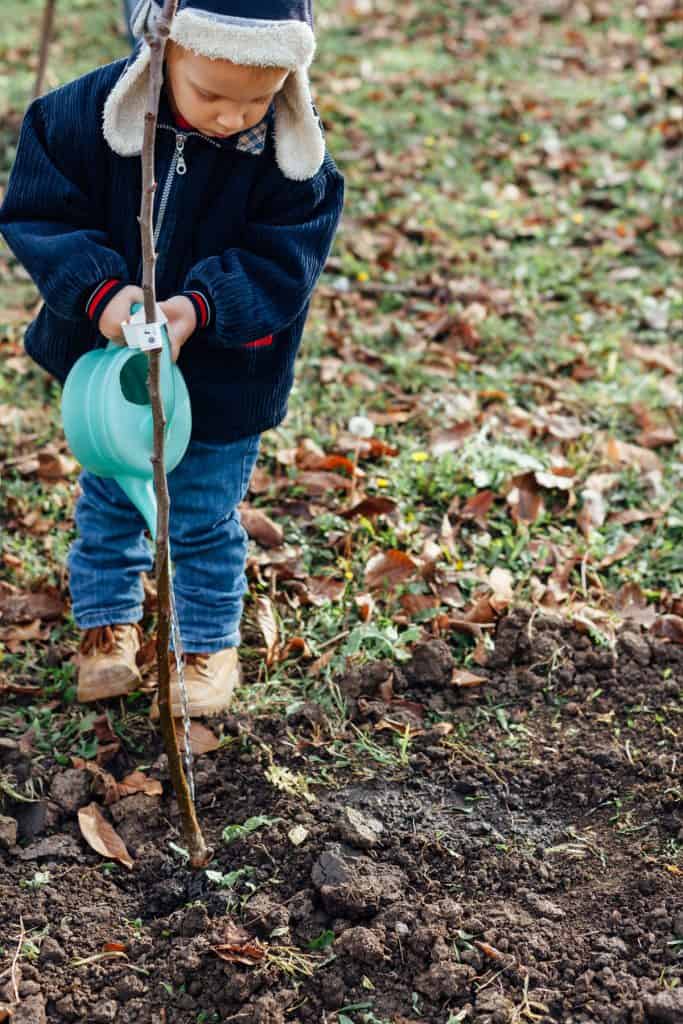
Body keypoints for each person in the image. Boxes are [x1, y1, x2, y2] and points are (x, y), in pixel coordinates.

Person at [0, 0, 344, 717]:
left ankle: (205, 642)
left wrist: (199, 307)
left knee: (201, 511)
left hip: (224, 373)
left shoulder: (291, 157)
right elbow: (41, 211)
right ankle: (106, 627)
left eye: (258, 97)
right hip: (113, 371)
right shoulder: (85, 119)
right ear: (161, 52)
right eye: (211, 94)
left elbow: (285, 259)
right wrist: (101, 294)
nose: (231, 117)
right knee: (112, 495)